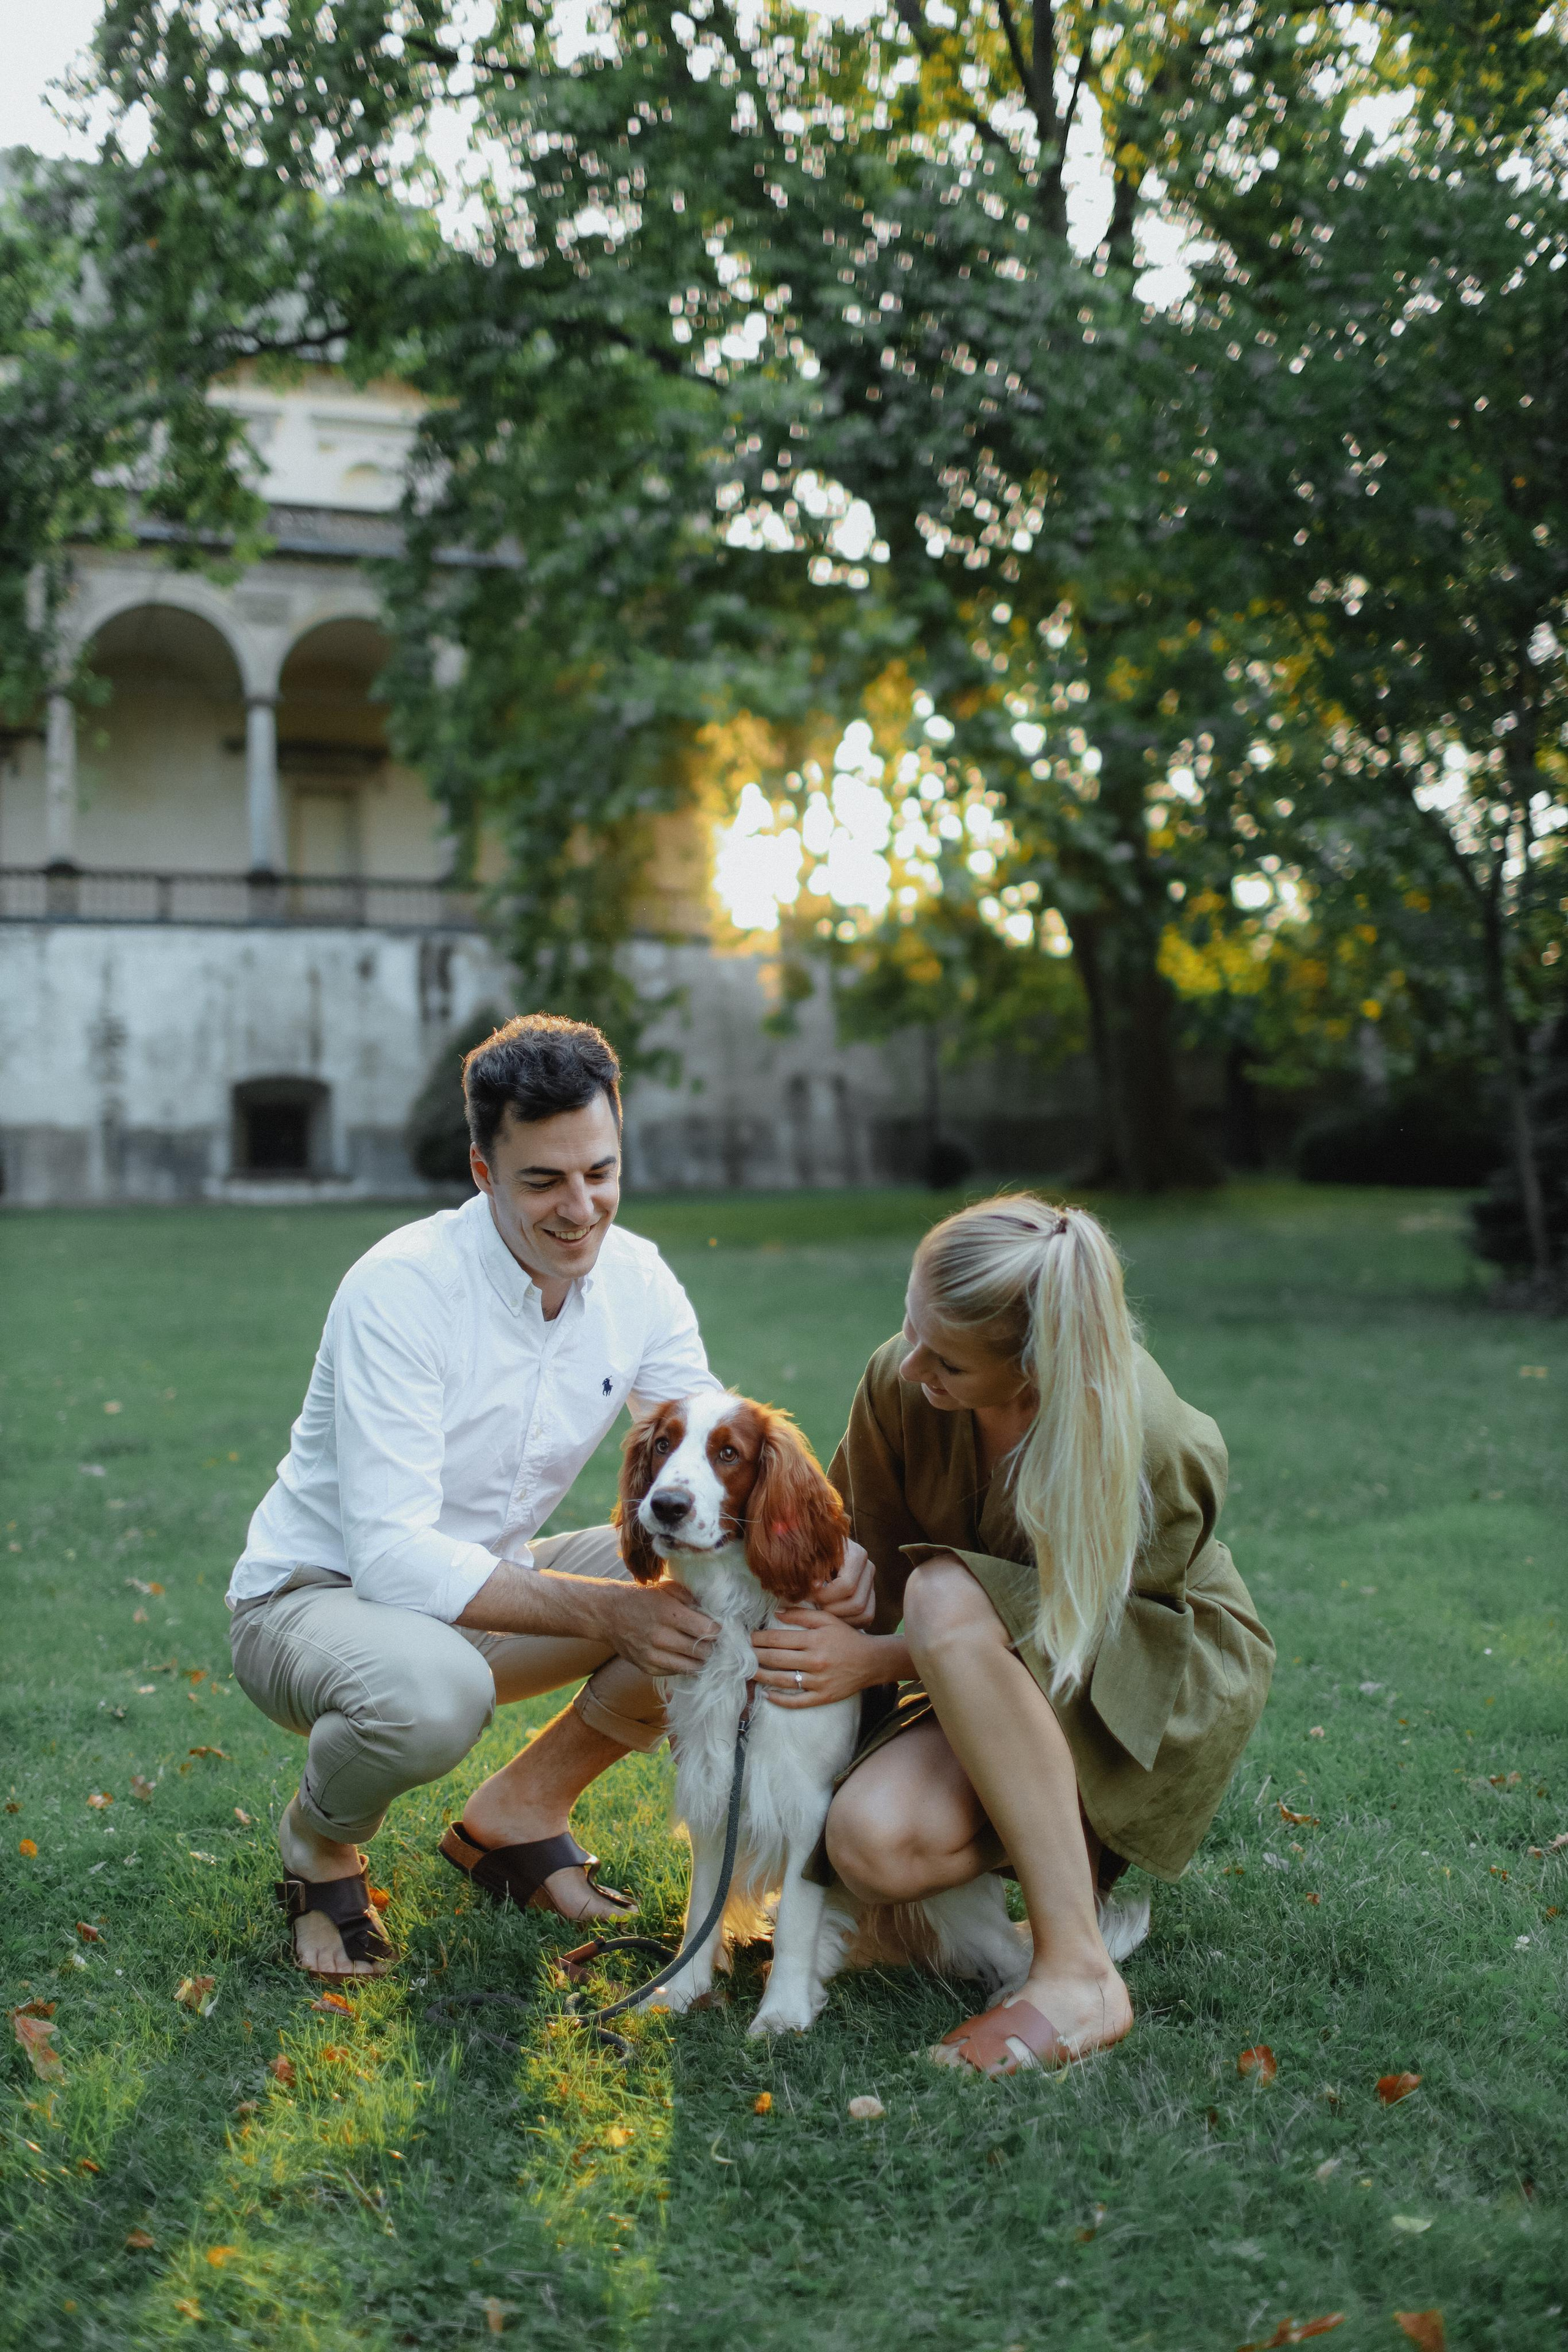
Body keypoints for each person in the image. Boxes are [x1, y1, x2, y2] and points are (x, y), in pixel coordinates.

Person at [227, 1013, 872, 1980]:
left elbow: (706, 1458)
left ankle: (517, 1816)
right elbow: (396, 1557)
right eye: (542, 1181)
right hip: (316, 1600)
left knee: (711, 1587)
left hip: (496, 1584)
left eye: (601, 1172)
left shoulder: (639, 1279)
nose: (581, 1209)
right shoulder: (400, 1291)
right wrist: (613, 1614)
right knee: (436, 1692)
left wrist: (827, 1553)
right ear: (484, 1171)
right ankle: (320, 1848)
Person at [749, 1194, 1273, 2076]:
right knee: (873, 1841)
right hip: (970, 1665)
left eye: (945, 1358)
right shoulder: (902, 1380)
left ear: (1032, 1371)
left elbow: (1096, 1632)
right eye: (910, 1326)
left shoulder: (1153, 1442)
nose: (910, 1364)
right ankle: (963, 1904)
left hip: (1147, 1670)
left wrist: (878, 1656)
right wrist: (848, 1585)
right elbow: (873, 1563)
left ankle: (1077, 1969)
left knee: (948, 1598)